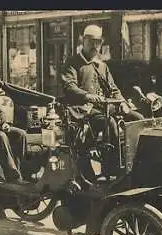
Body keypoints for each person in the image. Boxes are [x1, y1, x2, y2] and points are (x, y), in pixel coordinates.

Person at [61, 24, 144, 177]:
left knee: (138, 119)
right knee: (110, 124)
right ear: (83, 41)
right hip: (83, 109)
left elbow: (113, 88)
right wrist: (88, 96)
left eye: (98, 42)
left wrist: (123, 102)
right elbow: (69, 87)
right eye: (91, 41)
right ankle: (112, 170)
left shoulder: (102, 65)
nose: (95, 46)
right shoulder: (72, 63)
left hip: (104, 106)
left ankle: (135, 163)